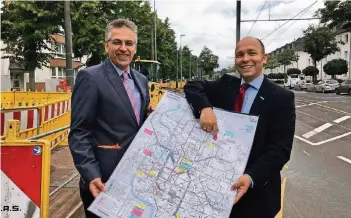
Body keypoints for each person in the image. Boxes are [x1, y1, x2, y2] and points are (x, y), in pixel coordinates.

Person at [183, 36, 296, 218]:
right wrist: (205, 107)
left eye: (252, 53)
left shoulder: (281, 97)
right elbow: (192, 86)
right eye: (239, 55)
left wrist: (251, 178)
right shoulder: (226, 84)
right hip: (216, 190)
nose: (245, 59)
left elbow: (280, 150)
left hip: (256, 198)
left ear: (264, 58)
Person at [68, 19, 153, 218]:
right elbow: (79, 132)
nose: (123, 48)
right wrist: (91, 174)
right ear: (106, 45)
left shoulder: (141, 80)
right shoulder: (90, 77)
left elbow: (132, 123)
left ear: (135, 47)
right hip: (103, 181)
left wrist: (148, 117)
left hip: (134, 179)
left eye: (129, 43)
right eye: (117, 42)